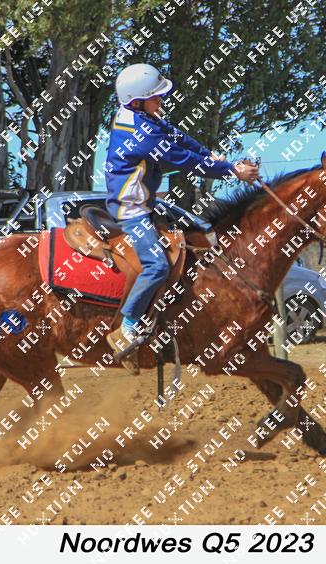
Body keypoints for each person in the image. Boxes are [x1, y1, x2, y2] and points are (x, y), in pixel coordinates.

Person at [104, 63, 259, 374]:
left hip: (145, 204)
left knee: (196, 236)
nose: (161, 100)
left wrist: (210, 155)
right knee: (157, 265)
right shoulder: (142, 133)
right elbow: (182, 159)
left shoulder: (143, 118)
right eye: (156, 97)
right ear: (137, 101)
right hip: (130, 210)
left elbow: (178, 137)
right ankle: (127, 325)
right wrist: (231, 170)